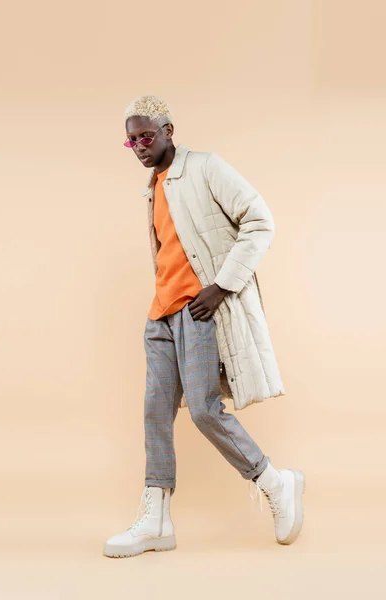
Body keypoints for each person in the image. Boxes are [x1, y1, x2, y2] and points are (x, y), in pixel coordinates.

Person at [103, 94, 305, 558]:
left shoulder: (206, 168)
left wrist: (220, 286)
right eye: (131, 140)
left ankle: (273, 481)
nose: (138, 145)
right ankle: (155, 520)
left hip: (197, 310)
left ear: (169, 131)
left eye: (146, 136)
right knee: (155, 413)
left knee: (202, 409)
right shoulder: (153, 186)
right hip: (160, 315)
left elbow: (260, 221)